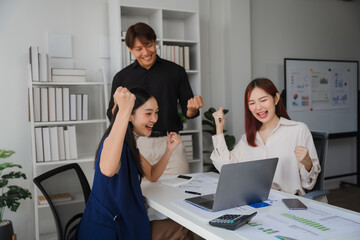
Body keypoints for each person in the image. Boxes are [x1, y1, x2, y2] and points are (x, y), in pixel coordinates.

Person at [77, 87, 192, 239]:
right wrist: (123, 109)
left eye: (156, 112)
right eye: (148, 113)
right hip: (112, 231)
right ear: (129, 116)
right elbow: (107, 169)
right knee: (185, 231)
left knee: (183, 228)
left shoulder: (130, 146)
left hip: (123, 224)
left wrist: (169, 151)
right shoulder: (115, 144)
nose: (155, 119)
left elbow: (151, 175)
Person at [107, 22, 203, 175]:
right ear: (130, 49)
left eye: (149, 45)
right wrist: (118, 107)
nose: (145, 52)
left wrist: (191, 109)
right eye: (138, 49)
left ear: (155, 42)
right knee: (142, 195)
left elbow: (188, 112)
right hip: (137, 145)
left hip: (170, 143)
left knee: (180, 192)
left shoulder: (176, 71)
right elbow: (112, 115)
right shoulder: (121, 77)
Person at [210, 78, 321, 195]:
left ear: (276, 99)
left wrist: (307, 163)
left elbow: (308, 184)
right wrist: (219, 128)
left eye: (263, 100)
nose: (258, 107)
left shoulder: (298, 130)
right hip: (256, 200)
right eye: (252, 103)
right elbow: (226, 167)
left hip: (288, 202)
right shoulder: (248, 138)